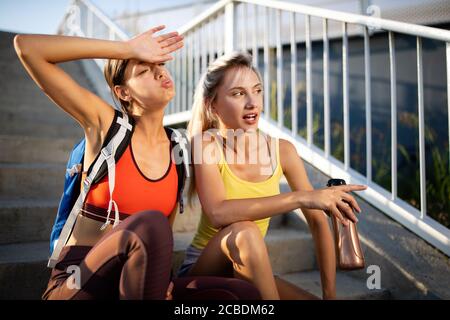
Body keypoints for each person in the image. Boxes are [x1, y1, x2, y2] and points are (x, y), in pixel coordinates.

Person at [14, 27, 260, 300]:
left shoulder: (177, 148)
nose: (159, 73)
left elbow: (164, 233)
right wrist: (126, 49)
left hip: (134, 284)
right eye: (143, 71)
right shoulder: (106, 127)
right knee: (149, 223)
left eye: (160, 65)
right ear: (123, 93)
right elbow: (28, 47)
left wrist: (162, 281)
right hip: (80, 278)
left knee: (240, 294)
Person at [178, 51, 368, 300]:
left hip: (245, 269)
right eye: (238, 93)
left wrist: (329, 294)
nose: (252, 103)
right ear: (212, 105)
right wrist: (301, 199)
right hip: (202, 274)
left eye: (257, 90)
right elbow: (218, 213)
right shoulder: (205, 145)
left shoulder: (283, 151)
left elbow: (317, 221)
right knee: (245, 230)